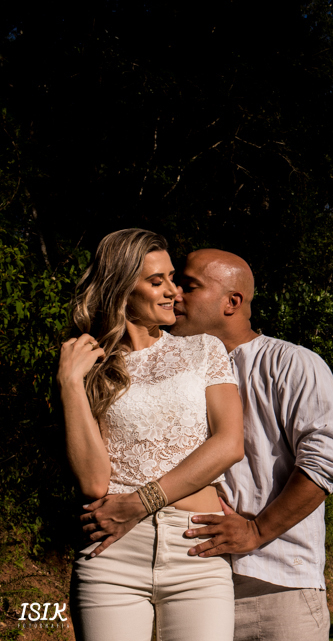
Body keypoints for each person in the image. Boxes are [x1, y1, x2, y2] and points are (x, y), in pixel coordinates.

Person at [84, 247, 333, 641]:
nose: (175, 294)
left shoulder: (291, 363)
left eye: (188, 286)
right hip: (191, 574)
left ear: (232, 302)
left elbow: (327, 462)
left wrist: (257, 531)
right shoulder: (164, 366)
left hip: (274, 585)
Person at [62, 229, 245, 641]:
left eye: (172, 278)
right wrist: (71, 384)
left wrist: (141, 502)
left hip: (194, 547)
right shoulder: (91, 364)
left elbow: (230, 443)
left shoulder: (203, 349)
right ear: (122, 290)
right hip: (112, 554)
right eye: (156, 281)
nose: (173, 292)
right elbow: (93, 481)